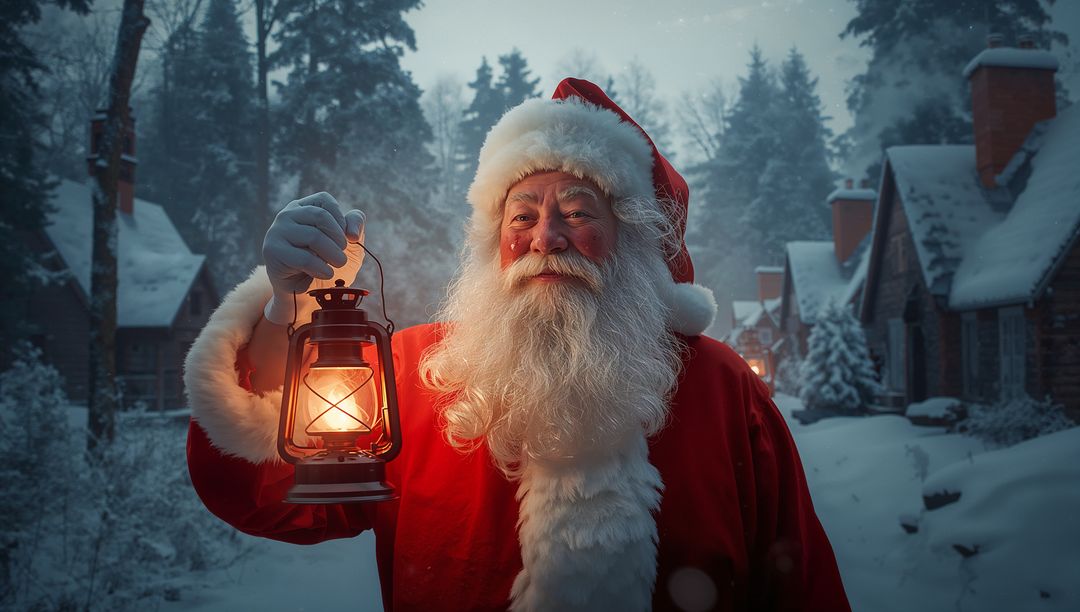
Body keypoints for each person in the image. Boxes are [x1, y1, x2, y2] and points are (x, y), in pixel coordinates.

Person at [184, 78, 851, 612]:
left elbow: (802, 589)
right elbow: (263, 493)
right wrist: (283, 311)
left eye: (579, 212)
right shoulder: (418, 375)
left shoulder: (721, 388)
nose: (545, 238)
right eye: (523, 214)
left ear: (630, 238)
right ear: (493, 242)